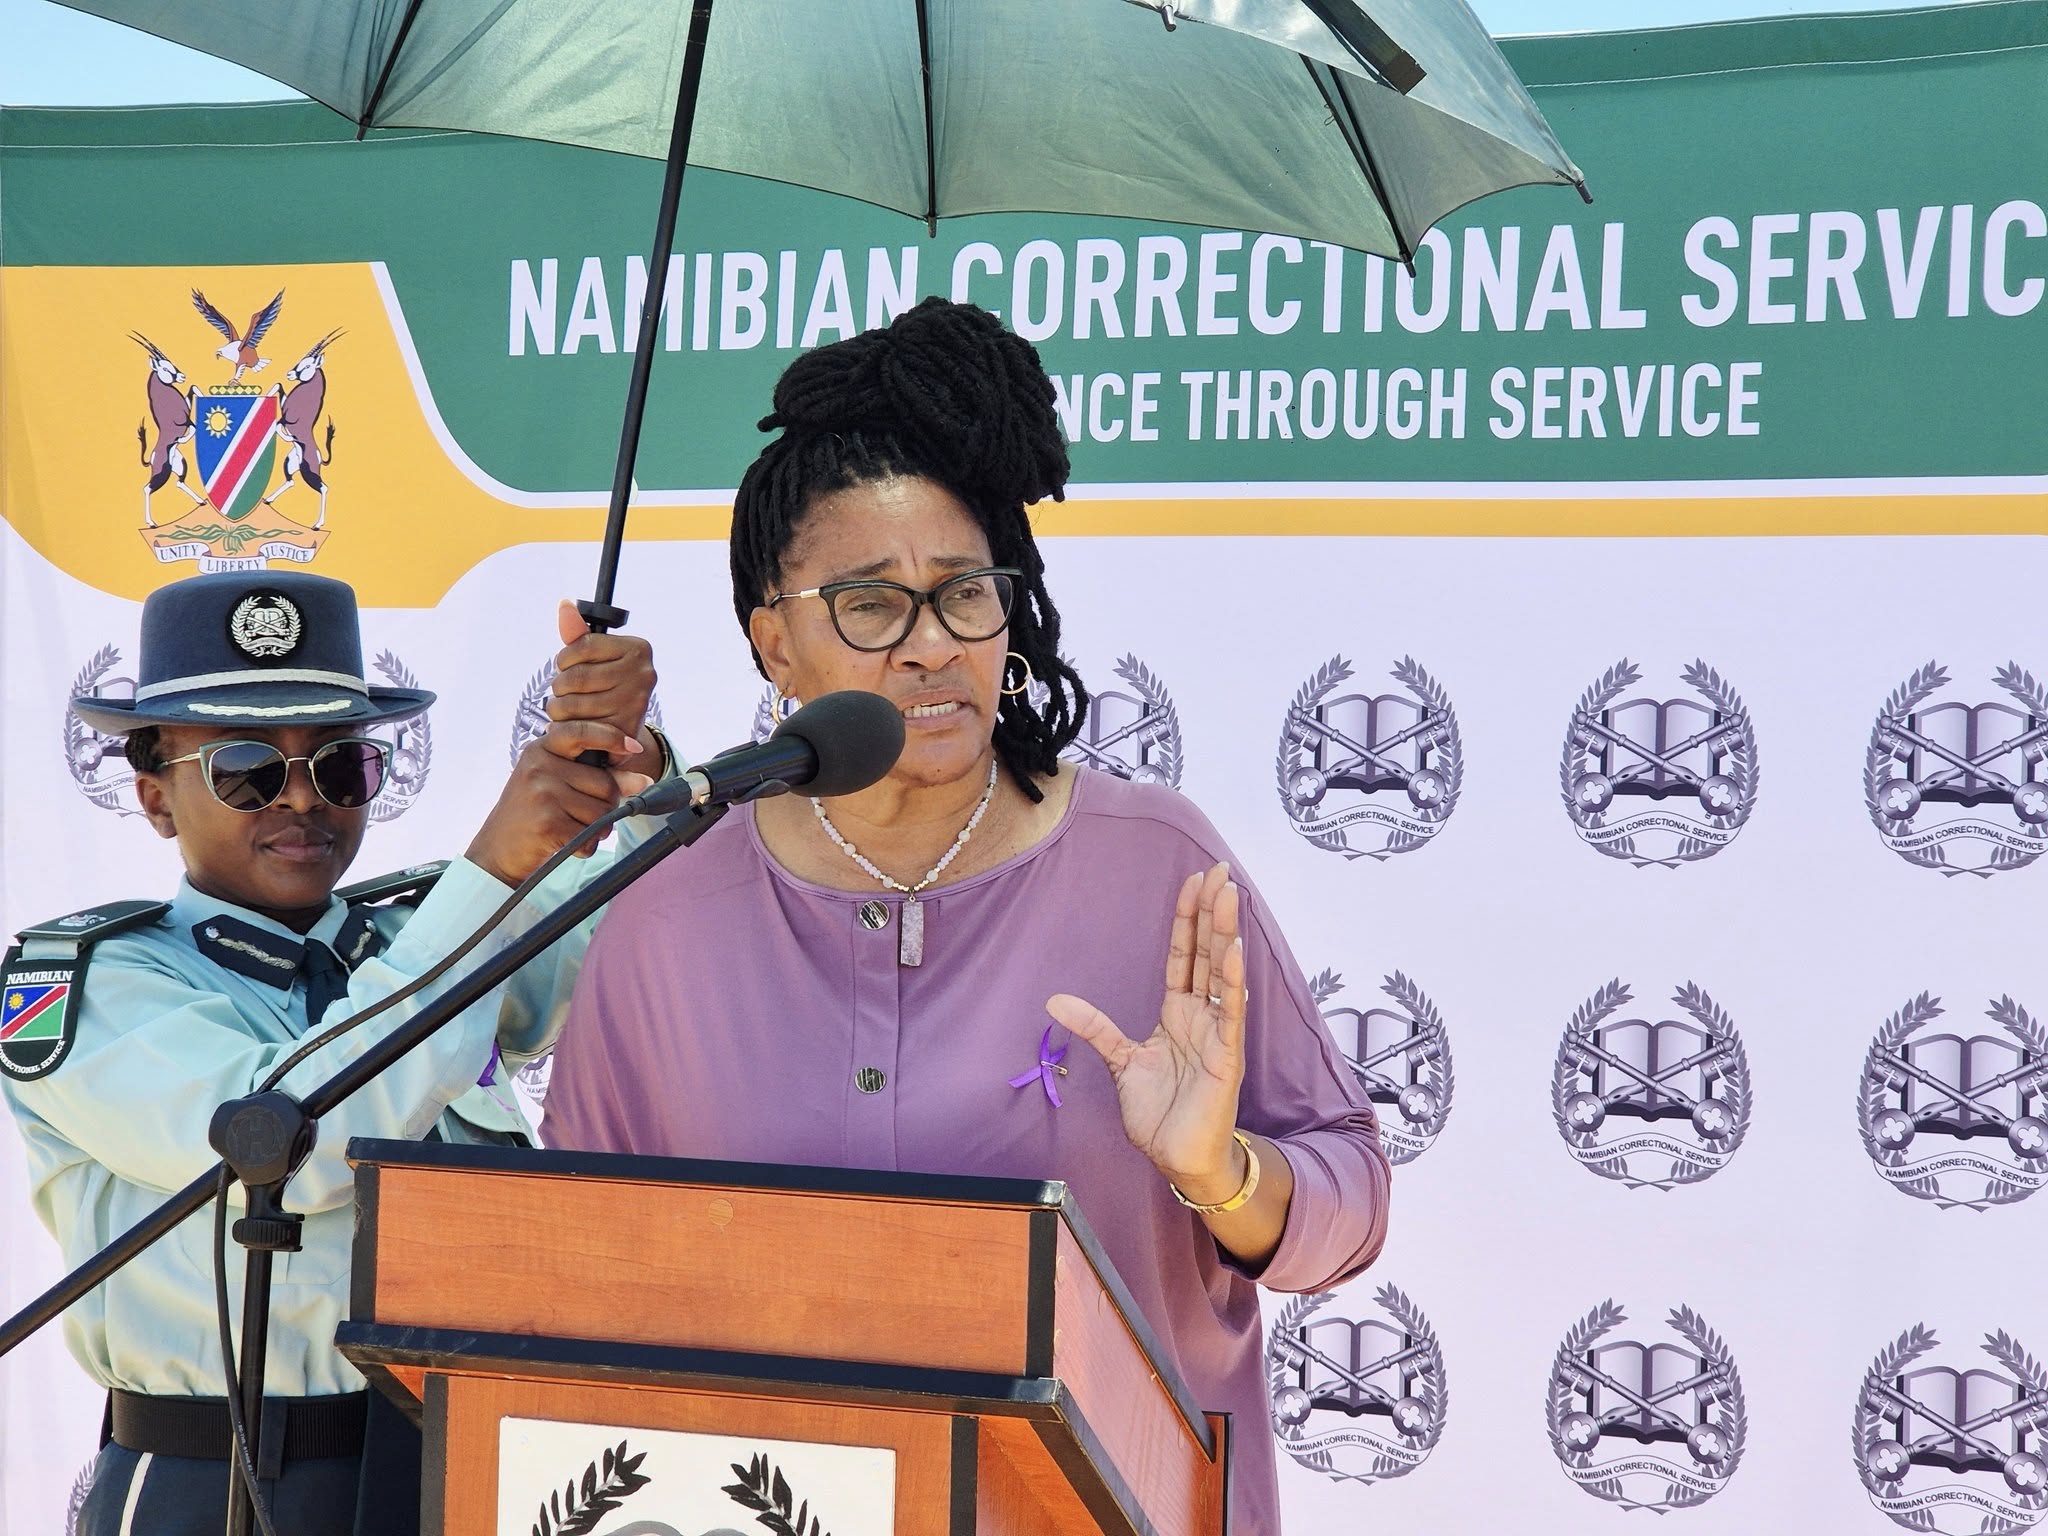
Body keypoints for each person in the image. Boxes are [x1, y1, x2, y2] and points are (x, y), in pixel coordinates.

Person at [538, 298, 1391, 1533]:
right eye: (869, 605)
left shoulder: (1154, 863)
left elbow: (1346, 1206)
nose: (929, 646)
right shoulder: (668, 907)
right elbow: (574, 1282)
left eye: (963, 595)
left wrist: (1221, 1176)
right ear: (774, 643)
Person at [0, 572, 672, 1536]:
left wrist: (632, 768)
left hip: (459, 1458)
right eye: (245, 769)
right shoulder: (95, 986)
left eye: (340, 765)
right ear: (155, 799)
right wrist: (489, 874)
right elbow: (293, 1140)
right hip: (220, 1479)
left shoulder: (419, 934)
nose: (302, 798)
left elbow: (641, 931)